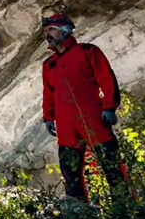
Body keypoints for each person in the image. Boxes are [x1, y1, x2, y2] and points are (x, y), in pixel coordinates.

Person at [40, 13, 127, 202]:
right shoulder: (49, 65)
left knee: (111, 167)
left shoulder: (88, 51)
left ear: (65, 31)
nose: (48, 34)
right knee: (71, 175)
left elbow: (106, 78)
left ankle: (126, 211)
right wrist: (48, 117)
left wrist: (110, 107)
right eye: (46, 31)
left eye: (52, 29)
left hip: (94, 119)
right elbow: (49, 93)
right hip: (66, 128)